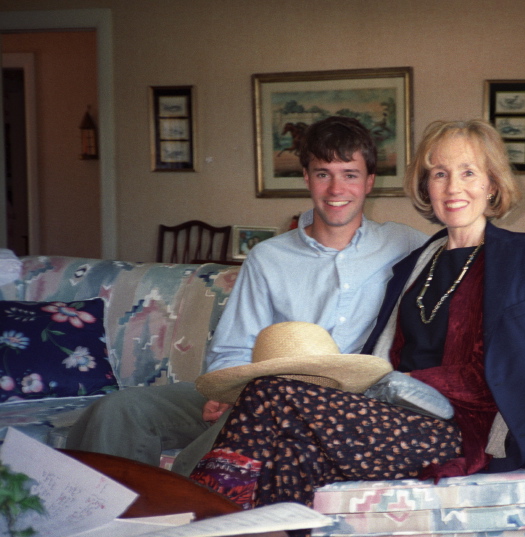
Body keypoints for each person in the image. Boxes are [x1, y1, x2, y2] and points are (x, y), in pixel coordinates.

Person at [189, 119, 525, 537]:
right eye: (439, 174)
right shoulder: (415, 263)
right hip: (401, 417)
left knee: (271, 391)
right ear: (425, 186)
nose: (453, 188)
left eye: (469, 173)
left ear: (493, 183)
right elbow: (386, 355)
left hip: (473, 434)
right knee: (291, 452)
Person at [65, 116, 428, 474]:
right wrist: (226, 393)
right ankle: (106, 511)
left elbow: (456, 261)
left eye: (350, 174)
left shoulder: (405, 245)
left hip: (342, 404)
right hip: (260, 389)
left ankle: (184, 504)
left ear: (369, 181)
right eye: (323, 174)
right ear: (306, 178)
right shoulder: (268, 257)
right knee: (118, 410)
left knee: (243, 426)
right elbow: (234, 346)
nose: (336, 189)